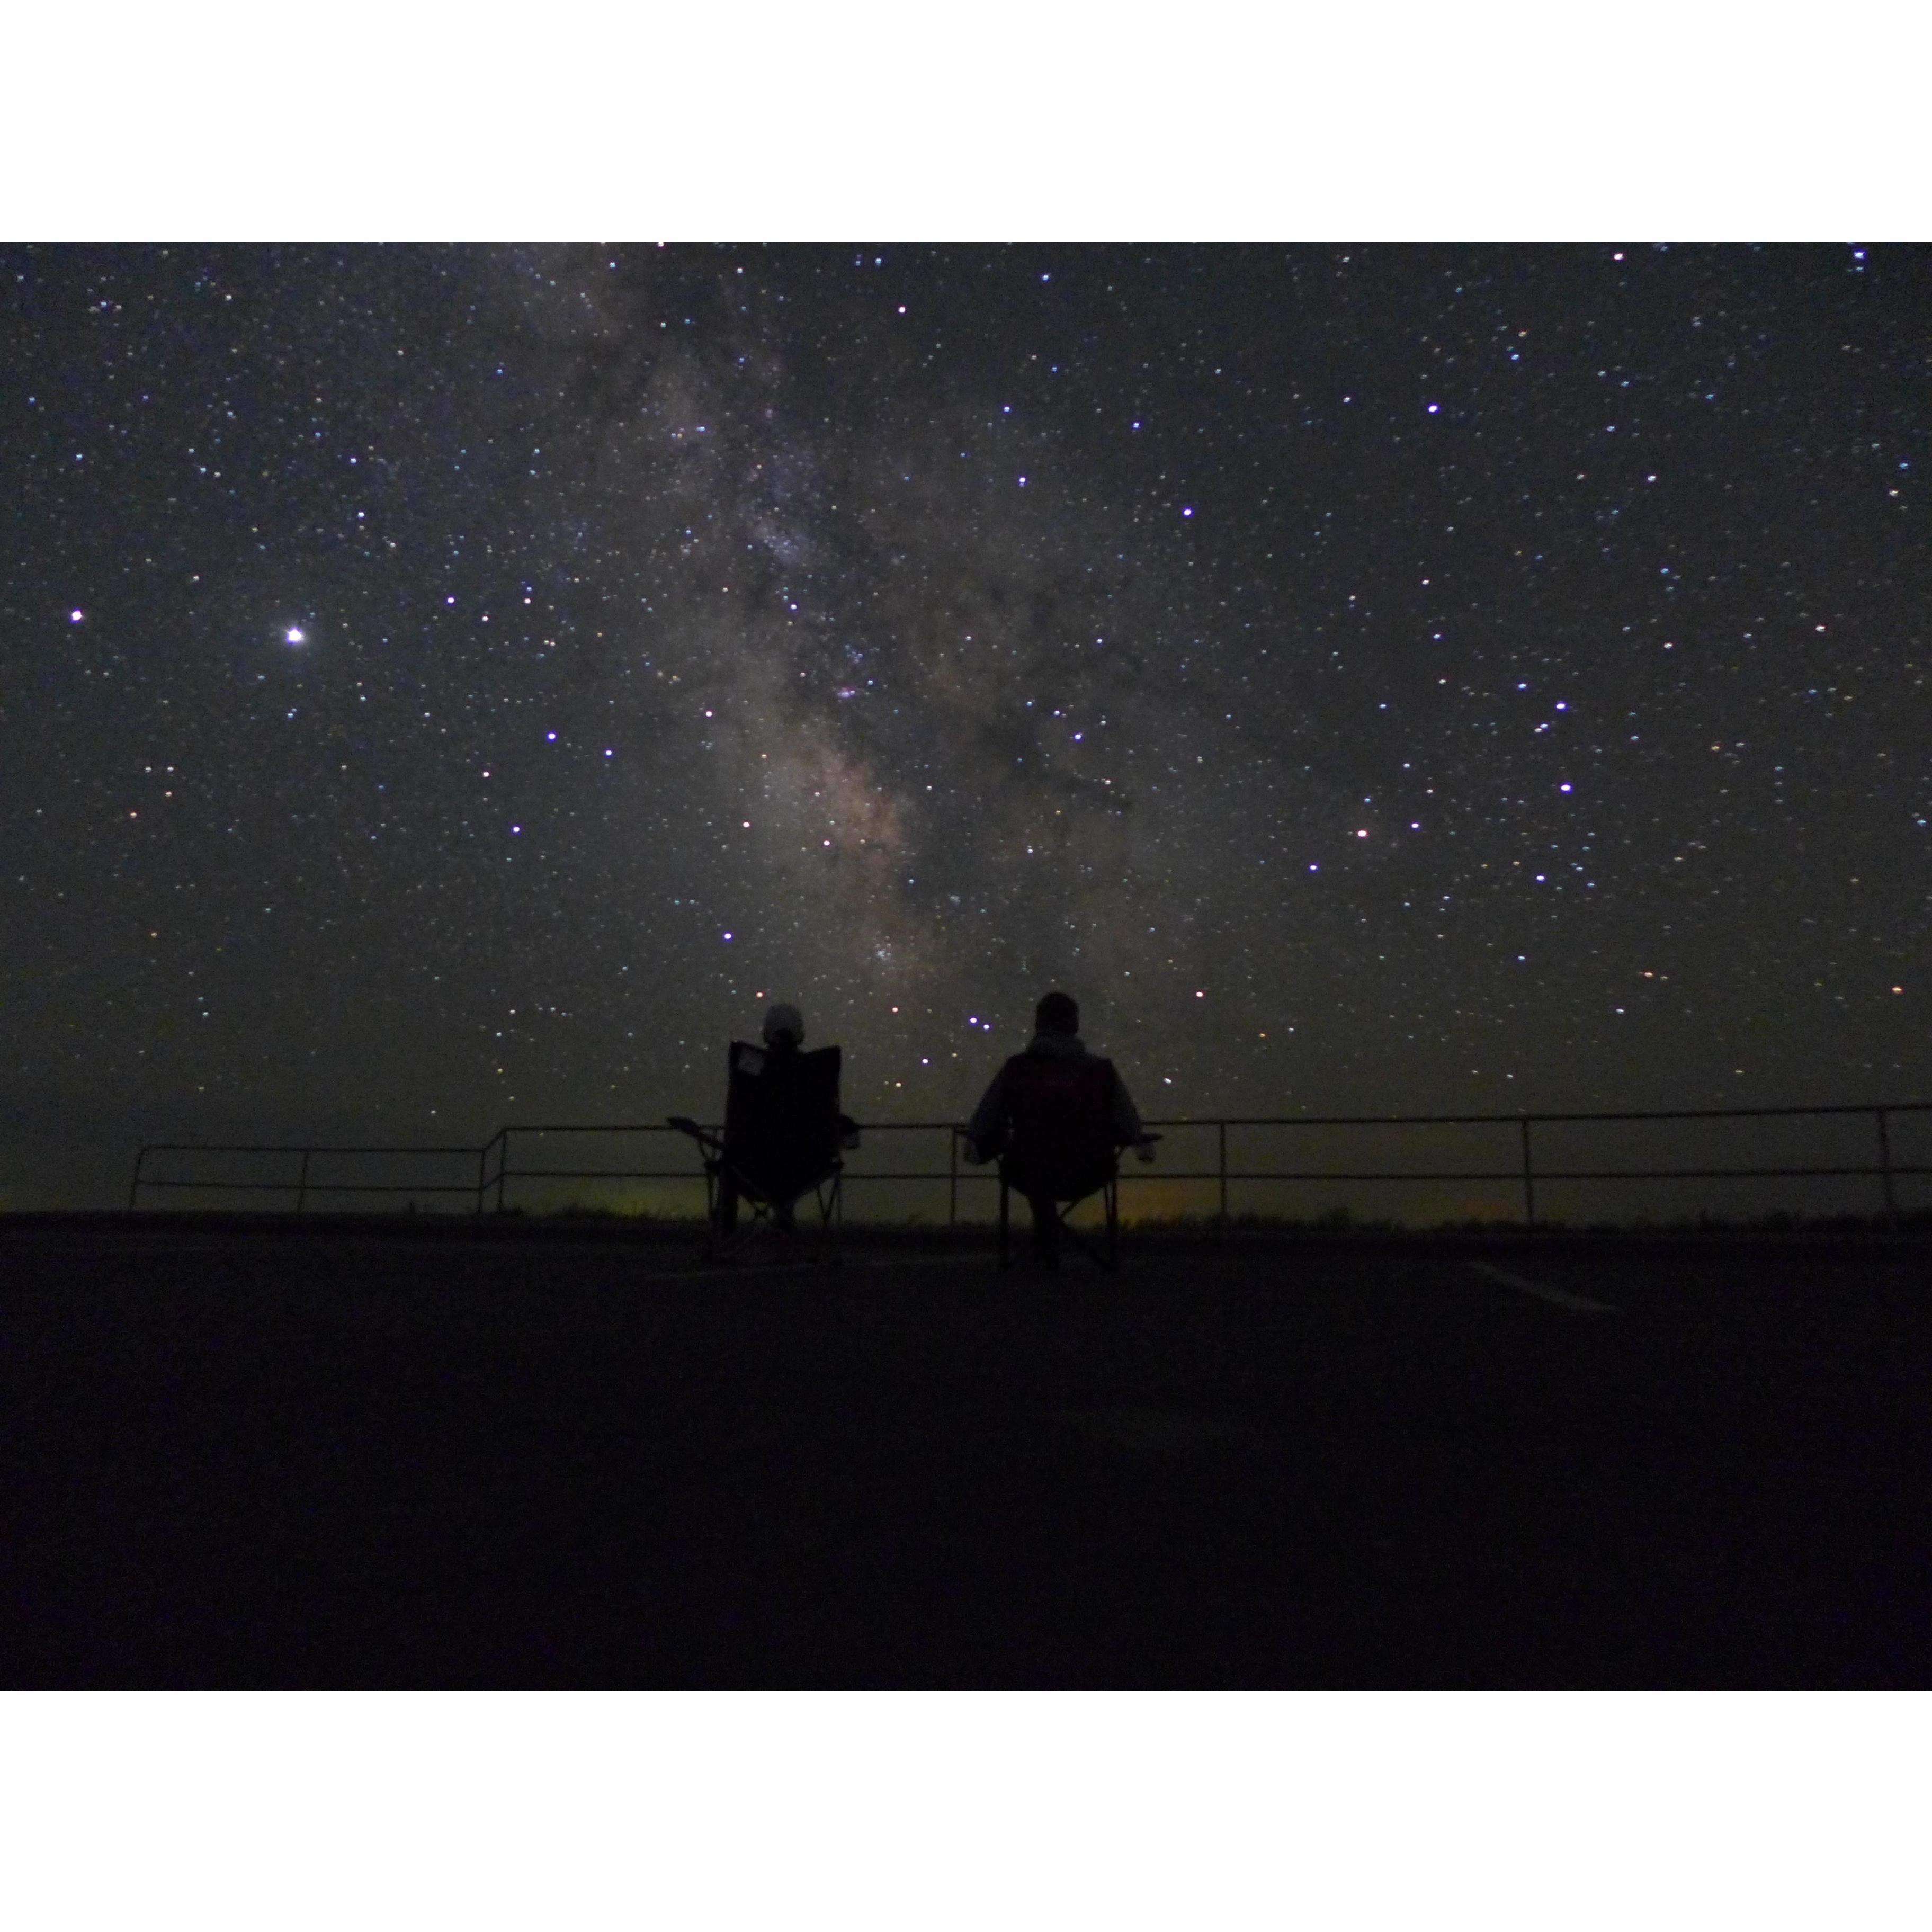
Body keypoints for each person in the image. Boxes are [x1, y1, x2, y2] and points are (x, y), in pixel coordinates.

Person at [962, 991, 1155, 1263]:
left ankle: (1044, 1247)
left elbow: (987, 1115)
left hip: (1029, 1170)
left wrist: (977, 1141)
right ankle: (1054, 1249)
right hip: (1089, 1170)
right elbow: (1126, 1117)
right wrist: (1137, 1142)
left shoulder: (1017, 1069)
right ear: (1074, 1024)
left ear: (1039, 1024)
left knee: (1037, 1170)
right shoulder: (1101, 1070)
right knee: (1049, 1164)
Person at [714, 1003, 857, 1240]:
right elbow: (822, 1116)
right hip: (803, 1170)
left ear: (766, 1033)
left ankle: (724, 1236)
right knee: (788, 1149)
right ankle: (784, 1231)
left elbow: (741, 1118)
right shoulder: (815, 1072)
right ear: (800, 1034)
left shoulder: (751, 1070)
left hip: (752, 1168)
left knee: (729, 1166)